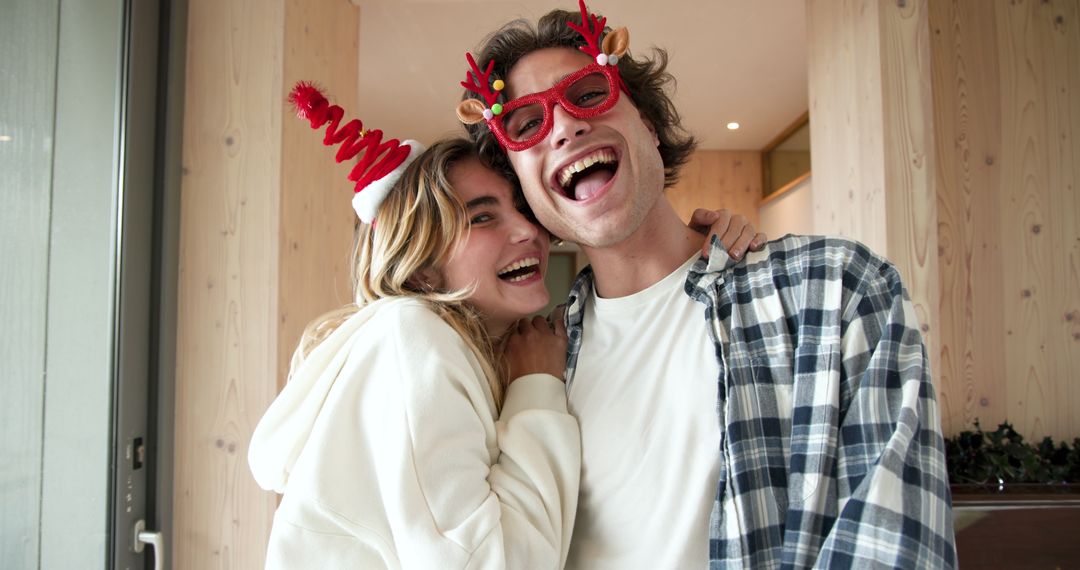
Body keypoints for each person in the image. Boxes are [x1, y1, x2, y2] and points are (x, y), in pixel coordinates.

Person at [459, 1, 957, 568]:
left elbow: (893, 545)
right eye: (527, 125)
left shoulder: (834, 290)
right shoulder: (525, 366)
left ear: (648, 126)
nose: (565, 126)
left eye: (589, 93)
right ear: (524, 189)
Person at [248, 83, 765, 569]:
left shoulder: (483, 353)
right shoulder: (412, 338)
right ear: (422, 266)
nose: (527, 231)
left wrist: (686, 248)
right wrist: (535, 389)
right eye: (482, 217)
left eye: (519, 207)